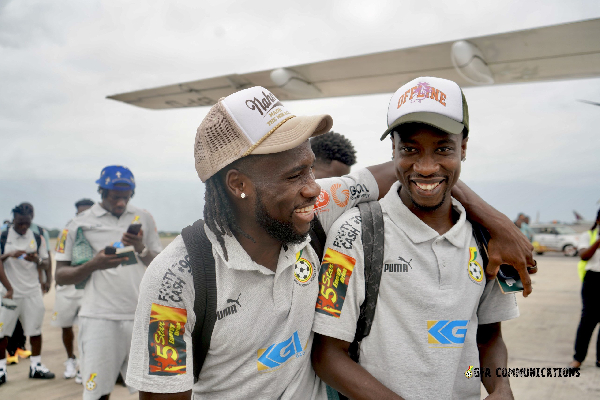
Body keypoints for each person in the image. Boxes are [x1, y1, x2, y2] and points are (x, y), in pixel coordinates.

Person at [125, 86, 534, 399]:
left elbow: (413, 171)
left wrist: (498, 223)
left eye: (310, 170)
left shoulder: (319, 205)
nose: (313, 189)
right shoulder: (177, 281)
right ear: (239, 185)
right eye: (293, 176)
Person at [312, 77, 531, 399]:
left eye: (443, 148)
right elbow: (327, 355)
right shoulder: (354, 232)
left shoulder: (488, 240)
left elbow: (488, 338)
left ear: (464, 148)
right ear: (393, 151)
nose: (426, 167)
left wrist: (501, 386)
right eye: (410, 149)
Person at [54, 166, 162, 400]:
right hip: (99, 318)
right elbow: (60, 275)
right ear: (101, 192)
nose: (121, 203)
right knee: (98, 392)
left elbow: (159, 265)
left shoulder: (144, 217)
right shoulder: (78, 223)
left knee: (153, 390)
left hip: (141, 316)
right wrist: (94, 264)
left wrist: (140, 246)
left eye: (126, 197)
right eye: (115, 197)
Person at [0, 203, 55, 385]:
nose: (23, 227)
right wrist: (9, 255)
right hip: (9, 293)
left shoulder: (38, 237)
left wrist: (36, 259)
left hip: (32, 291)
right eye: (20, 223)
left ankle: (36, 366)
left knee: (35, 331)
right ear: (13, 219)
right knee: (2, 333)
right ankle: (1, 369)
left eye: (26, 223)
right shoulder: (4, 236)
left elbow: (46, 263)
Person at [51, 198, 94, 383]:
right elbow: (60, 259)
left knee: (89, 328)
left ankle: (85, 365)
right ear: (75, 214)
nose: (83, 217)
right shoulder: (67, 231)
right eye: (80, 213)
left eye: (87, 213)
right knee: (66, 325)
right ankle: (70, 360)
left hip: (90, 287)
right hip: (67, 287)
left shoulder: (100, 232)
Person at [570, 208, 600, 369]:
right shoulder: (588, 236)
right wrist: (598, 242)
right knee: (588, 320)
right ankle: (578, 358)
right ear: (598, 220)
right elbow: (584, 255)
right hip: (593, 280)